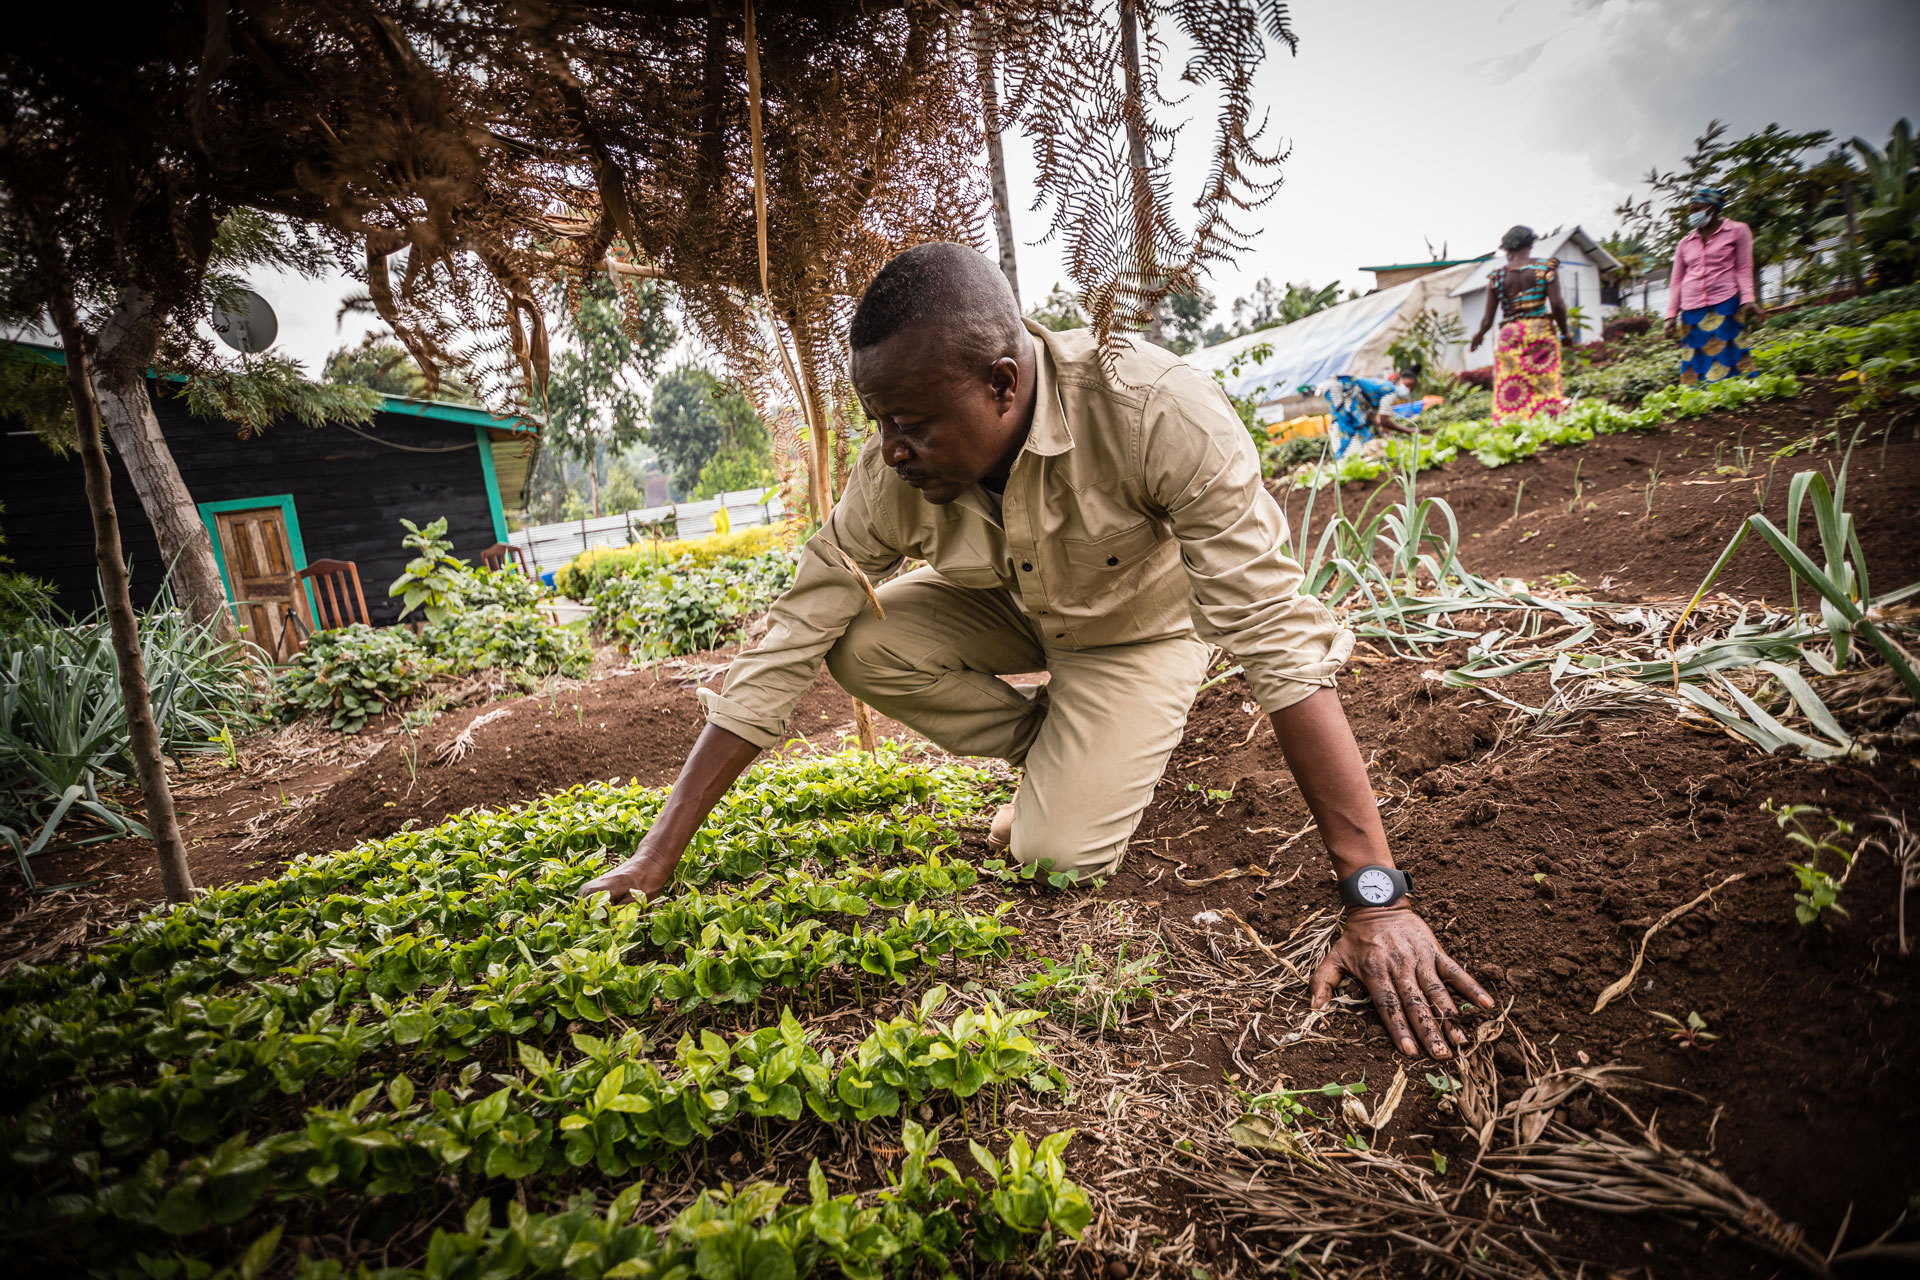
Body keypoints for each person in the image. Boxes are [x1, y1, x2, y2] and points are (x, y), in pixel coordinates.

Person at [581, 243, 1492, 1060]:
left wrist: (1377, 897)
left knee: (1054, 855)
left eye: (914, 422)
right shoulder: (898, 466)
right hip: (1016, 611)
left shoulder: (1152, 410)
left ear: (1003, 383)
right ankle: (1065, 745)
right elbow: (797, 627)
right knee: (860, 636)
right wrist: (658, 853)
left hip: (1143, 632)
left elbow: (1275, 644)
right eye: (879, 421)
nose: (892, 449)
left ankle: (1105, 740)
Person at [1468, 225, 1572, 424]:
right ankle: (1548, 420)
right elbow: (1557, 305)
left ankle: (1511, 424)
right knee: (1544, 380)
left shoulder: (1497, 277)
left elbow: (1487, 319)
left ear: (1507, 250)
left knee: (1512, 381)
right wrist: (1566, 332)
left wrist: (1478, 336)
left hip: (1511, 333)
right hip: (1539, 329)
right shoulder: (1545, 269)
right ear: (1530, 245)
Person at [1663, 187, 1765, 384]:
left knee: (1730, 348)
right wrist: (1670, 316)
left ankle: (1736, 390)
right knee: (1695, 353)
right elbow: (1676, 281)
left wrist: (1748, 299)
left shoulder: (1737, 231)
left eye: (1697, 209)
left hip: (1725, 301)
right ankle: (1699, 397)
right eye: (1691, 211)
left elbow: (1744, 268)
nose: (1693, 215)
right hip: (1692, 307)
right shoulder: (1685, 243)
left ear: (1712, 209)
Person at [1309, 373, 1414, 457]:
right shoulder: (1390, 390)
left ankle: (1353, 456)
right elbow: (1384, 420)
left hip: (1340, 387)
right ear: (1399, 379)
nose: (1408, 389)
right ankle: (1342, 459)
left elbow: (1372, 417)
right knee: (1344, 424)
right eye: (1408, 385)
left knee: (1360, 425)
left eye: (1411, 388)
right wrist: (1408, 430)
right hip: (1340, 387)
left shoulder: (1379, 388)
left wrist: (1384, 430)